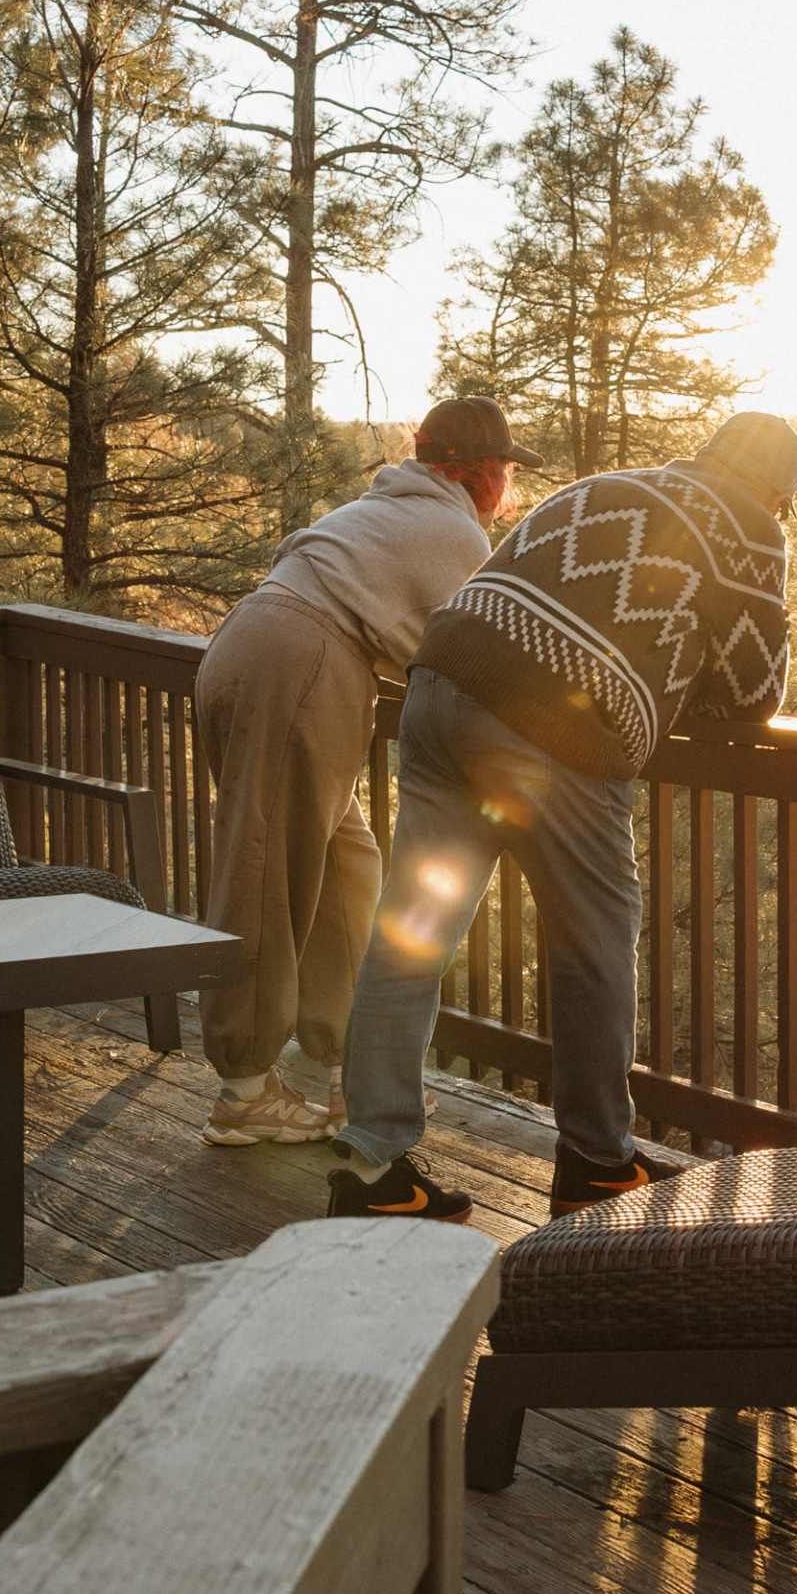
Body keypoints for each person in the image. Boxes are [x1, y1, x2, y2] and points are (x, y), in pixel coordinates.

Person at [328, 409, 797, 1221]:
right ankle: (596, 1162)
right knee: (595, 948)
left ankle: (373, 1165)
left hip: (438, 688)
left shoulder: (608, 487)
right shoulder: (750, 526)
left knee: (413, 933)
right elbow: (756, 695)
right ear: (776, 490)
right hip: (549, 728)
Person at [188, 398, 535, 1148]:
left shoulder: (381, 506)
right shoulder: (454, 529)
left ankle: (360, 1063)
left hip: (251, 645)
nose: (507, 485)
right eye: (504, 469)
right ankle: (244, 1089)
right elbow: (480, 657)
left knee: (346, 867)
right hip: (304, 664)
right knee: (267, 872)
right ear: (470, 472)